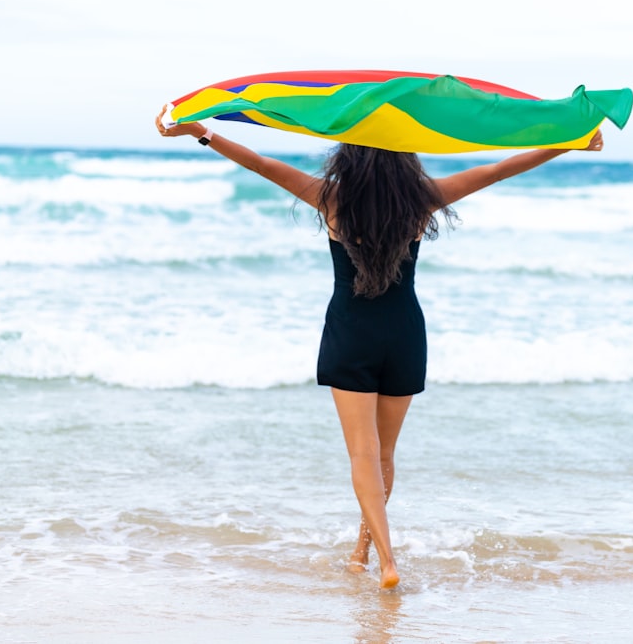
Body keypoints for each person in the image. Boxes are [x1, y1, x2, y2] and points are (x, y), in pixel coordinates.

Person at [155, 107, 604, 589]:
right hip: (405, 335)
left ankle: (386, 561)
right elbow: (498, 169)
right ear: (403, 155)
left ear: (350, 153)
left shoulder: (330, 196)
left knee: (363, 456)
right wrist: (567, 144)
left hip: (350, 333)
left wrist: (201, 132)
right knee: (385, 456)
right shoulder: (423, 197)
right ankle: (362, 551)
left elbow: (261, 164)